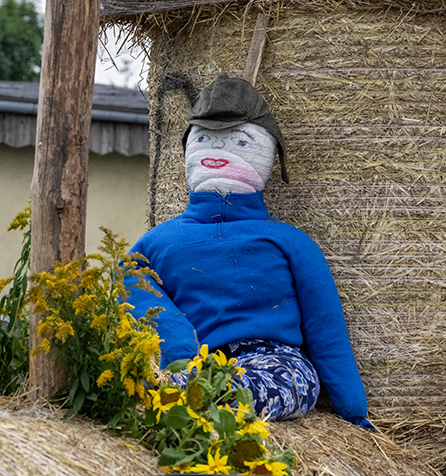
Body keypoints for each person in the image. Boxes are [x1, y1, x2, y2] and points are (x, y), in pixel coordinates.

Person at [126, 73, 373, 429]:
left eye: (240, 143)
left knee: (296, 382)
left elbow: (326, 327)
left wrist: (353, 410)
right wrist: (179, 345)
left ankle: (199, 395)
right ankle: (199, 390)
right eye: (209, 140)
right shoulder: (156, 243)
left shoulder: (289, 242)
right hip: (197, 361)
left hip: (274, 359)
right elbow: (129, 280)